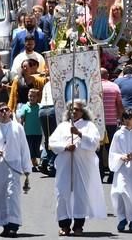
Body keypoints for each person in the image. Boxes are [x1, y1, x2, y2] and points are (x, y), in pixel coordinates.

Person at [49, 100, 107, 236]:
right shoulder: (63, 126)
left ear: (83, 112)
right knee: (62, 194)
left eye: (77, 110)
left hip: (82, 166)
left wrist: (79, 133)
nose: (74, 112)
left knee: (80, 195)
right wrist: (65, 147)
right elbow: (52, 142)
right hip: (65, 166)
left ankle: (78, 226)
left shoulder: (89, 126)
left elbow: (94, 143)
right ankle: (64, 225)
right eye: (72, 109)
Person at [0, 103, 32, 238]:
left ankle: (14, 226)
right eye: (1, 110)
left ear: (10, 112)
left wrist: (27, 167)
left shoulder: (18, 128)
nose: (4, 112)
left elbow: (24, 148)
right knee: (1, 197)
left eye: (6, 110)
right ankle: (5, 225)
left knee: (12, 196)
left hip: (14, 166)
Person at [100, 68, 123, 180]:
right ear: (108, 75)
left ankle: (100, 173)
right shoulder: (114, 86)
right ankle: (112, 173)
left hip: (98, 123)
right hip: (111, 121)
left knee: (98, 149)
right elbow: (119, 104)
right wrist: (120, 118)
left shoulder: (94, 87)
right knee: (111, 148)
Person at [19, 89, 43, 170]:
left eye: (34, 96)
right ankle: (33, 163)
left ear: (38, 97)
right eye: (30, 96)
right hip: (28, 133)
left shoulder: (40, 107)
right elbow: (21, 120)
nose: (31, 98)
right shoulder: (25, 107)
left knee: (37, 148)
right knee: (30, 149)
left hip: (38, 132)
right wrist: (20, 131)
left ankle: (36, 161)